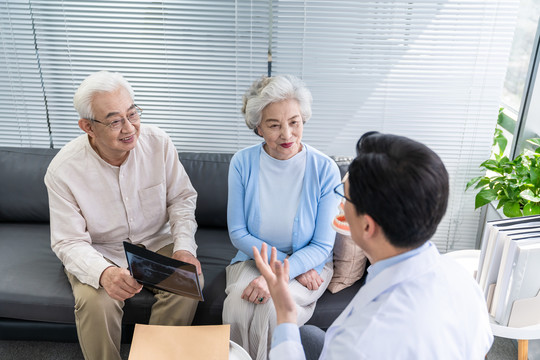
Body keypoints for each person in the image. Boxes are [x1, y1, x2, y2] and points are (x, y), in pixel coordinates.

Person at [253, 132, 494, 359]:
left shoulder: (360, 341)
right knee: (309, 337)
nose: (339, 206)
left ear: (368, 227)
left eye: (344, 198)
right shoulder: (463, 280)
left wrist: (285, 312)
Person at [44, 70, 203, 360]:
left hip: (155, 241)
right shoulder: (63, 169)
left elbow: (181, 199)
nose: (130, 128)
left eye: (133, 114)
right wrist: (103, 273)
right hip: (100, 250)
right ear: (88, 127)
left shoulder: (159, 143)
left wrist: (183, 248)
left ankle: (155, 357)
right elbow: (68, 241)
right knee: (97, 303)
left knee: (187, 283)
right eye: (116, 121)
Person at [223, 75, 341, 360]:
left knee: (270, 309)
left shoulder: (325, 169)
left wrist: (288, 270)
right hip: (253, 259)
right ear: (258, 128)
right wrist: (282, 268)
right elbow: (238, 232)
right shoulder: (242, 162)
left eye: (294, 122)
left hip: (310, 264)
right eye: (274, 125)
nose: (287, 134)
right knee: (237, 307)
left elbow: (322, 246)